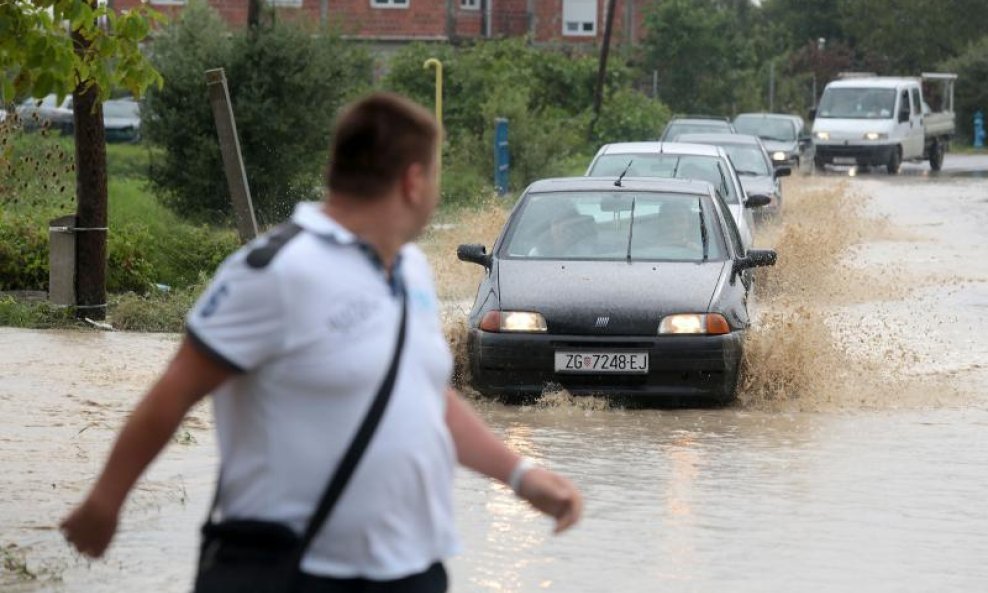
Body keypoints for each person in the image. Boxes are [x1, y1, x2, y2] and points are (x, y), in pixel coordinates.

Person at [60, 93, 582, 591]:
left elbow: (422, 397)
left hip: (411, 569)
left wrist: (520, 475)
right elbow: (173, 393)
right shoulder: (276, 270)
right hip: (288, 570)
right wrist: (105, 503)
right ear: (414, 181)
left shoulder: (412, 271)